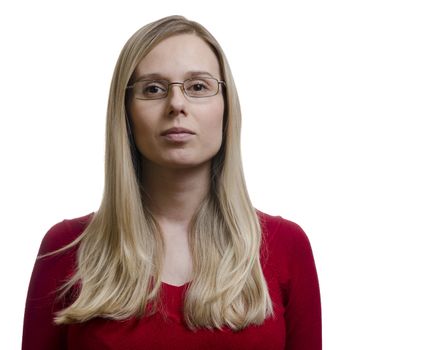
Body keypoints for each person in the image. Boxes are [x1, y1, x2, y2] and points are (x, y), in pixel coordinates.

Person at [22, 15, 321, 350]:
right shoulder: (66, 249)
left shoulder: (286, 246)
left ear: (226, 107)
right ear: (126, 113)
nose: (177, 104)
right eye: (153, 89)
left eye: (197, 87)